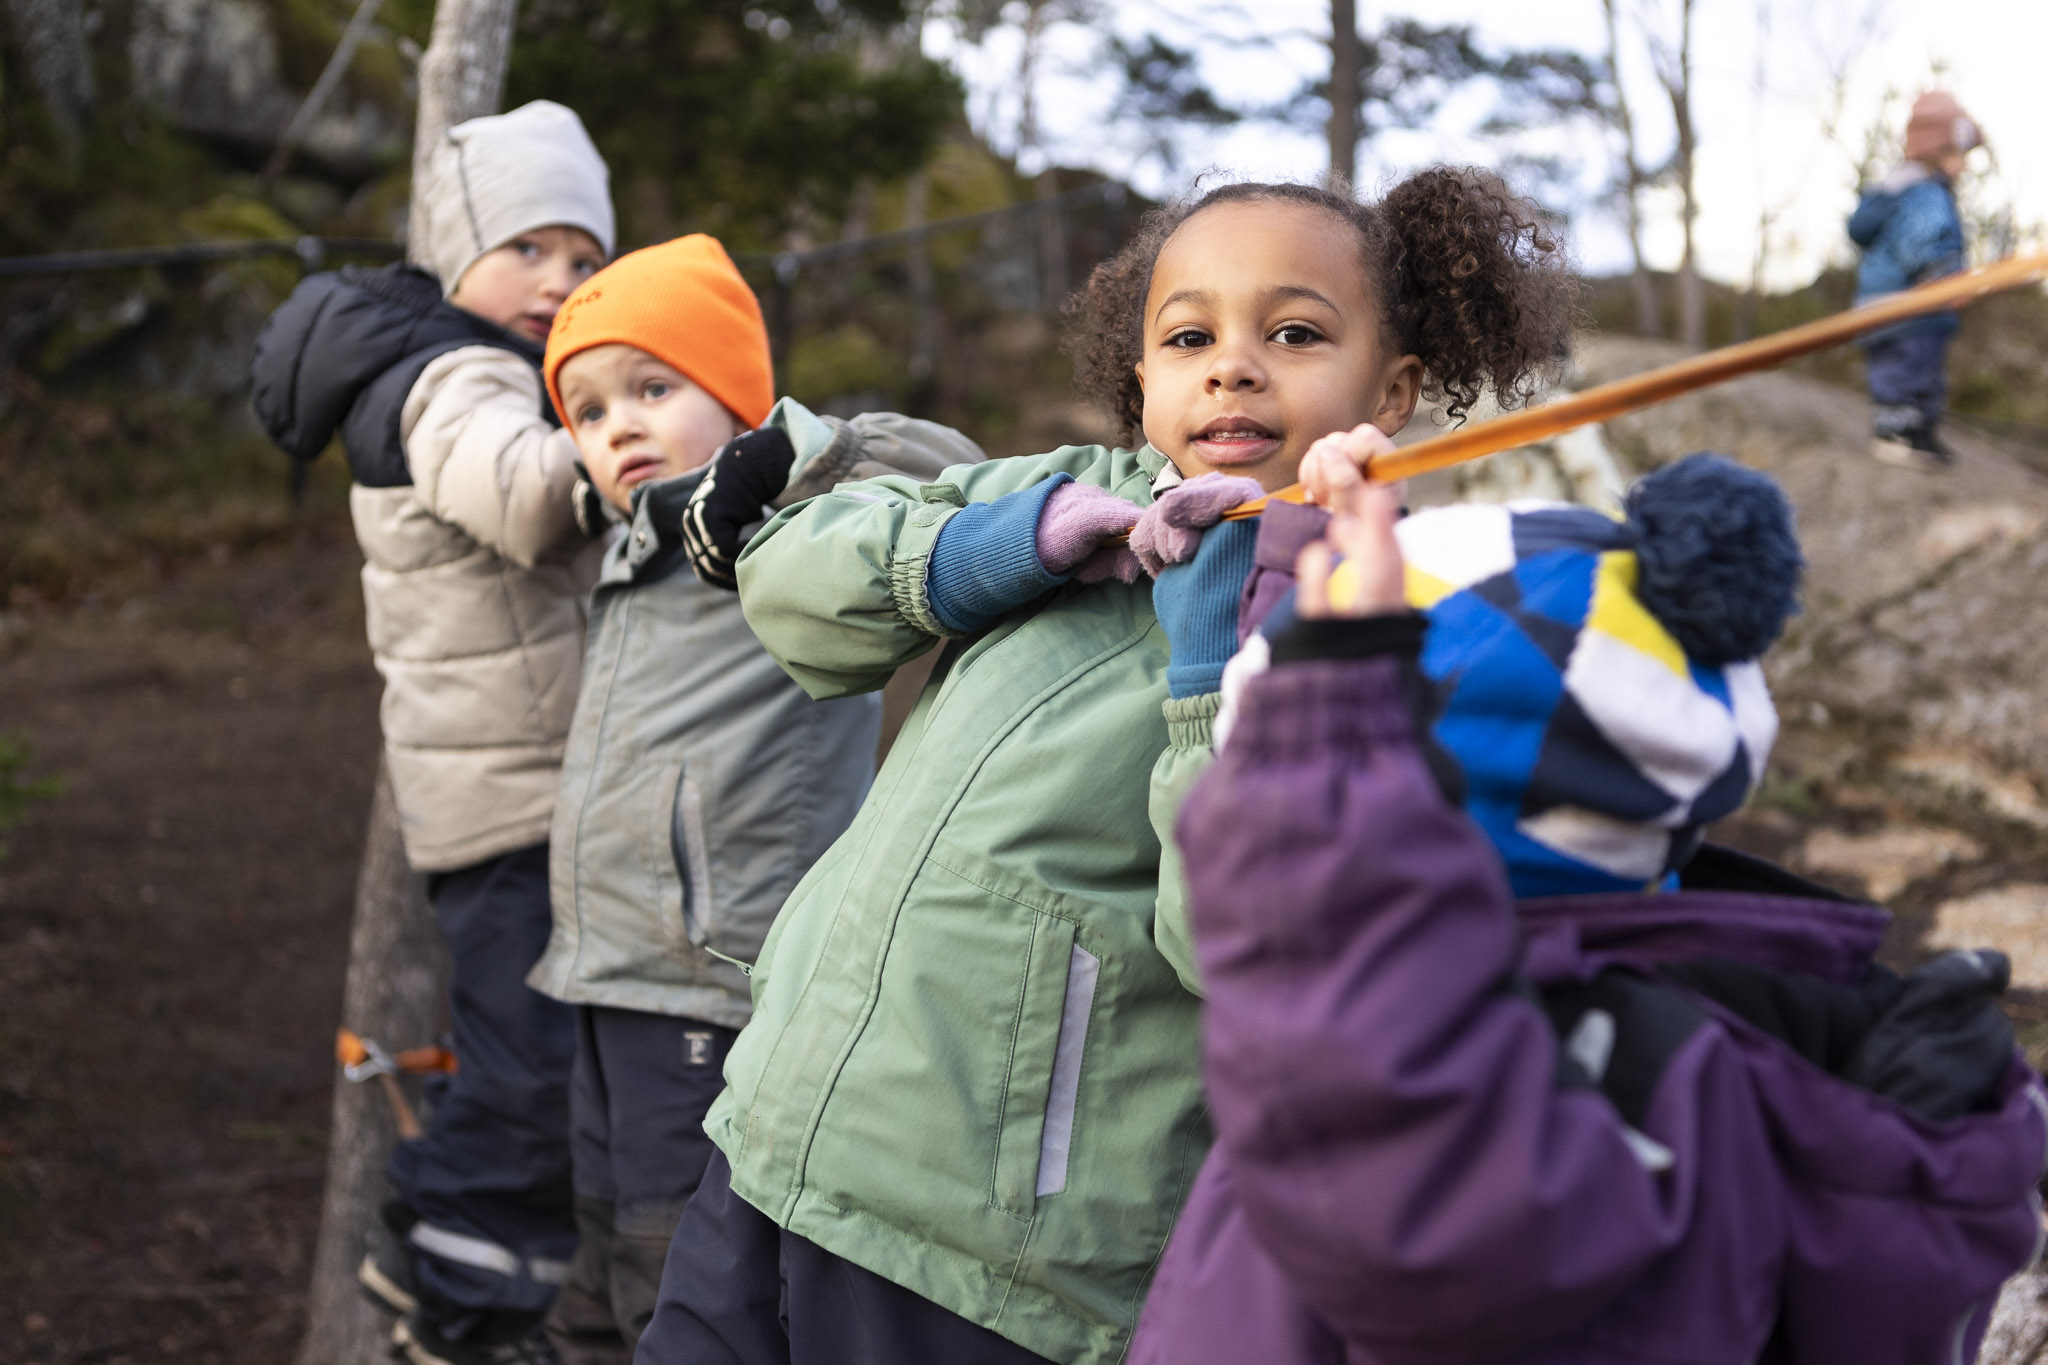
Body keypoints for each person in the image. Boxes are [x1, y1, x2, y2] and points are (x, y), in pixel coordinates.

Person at [634, 172, 1577, 1365]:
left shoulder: (1366, 618)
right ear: (1140, 380)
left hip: (989, 1262)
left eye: (1292, 333)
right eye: (1188, 336)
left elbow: (1246, 943)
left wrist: (1206, 677)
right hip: (774, 1132)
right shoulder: (1063, 495)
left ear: (1390, 389)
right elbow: (794, 591)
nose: (1231, 367)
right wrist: (996, 549)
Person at [1130, 437, 2048, 1365]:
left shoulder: (1550, 1064)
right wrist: (1324, 572)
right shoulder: (1697, 1025)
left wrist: (1328, 709)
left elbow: (1347, 983)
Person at [523, 234, 986, 1364]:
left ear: (736, 398)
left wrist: (807, 455)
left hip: (710, 974)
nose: (617, 424)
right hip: (601, 969)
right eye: (585, 411)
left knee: (672, 1259)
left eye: (651, 388)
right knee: (593, 1240)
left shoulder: (781, 525)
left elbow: (950, 472)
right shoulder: (630, 555)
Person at [250, 100, 613, 1365]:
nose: (558, 280)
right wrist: (627, 471)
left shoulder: (484, 370)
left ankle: (465, 1273)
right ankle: (454, 1301)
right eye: (529, 250)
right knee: (530, 1077)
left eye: (583, 260)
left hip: (523, 787)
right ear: (457, 248)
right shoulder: (448, 376)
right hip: (507, 798)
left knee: (536, 1053)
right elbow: (521, 497)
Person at [1850, 90, 1985, 471]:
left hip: (1890, 309)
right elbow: (1922, 243)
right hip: (1909, 309)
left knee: (1918, 371)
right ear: (1937, 150)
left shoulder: (1898, 190)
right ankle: (1896, 433)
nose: (1965, 167)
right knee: (1908, 370)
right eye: (1961, 155)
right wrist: (1945, 277)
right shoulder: (1924, 192)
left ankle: (1919, 432)